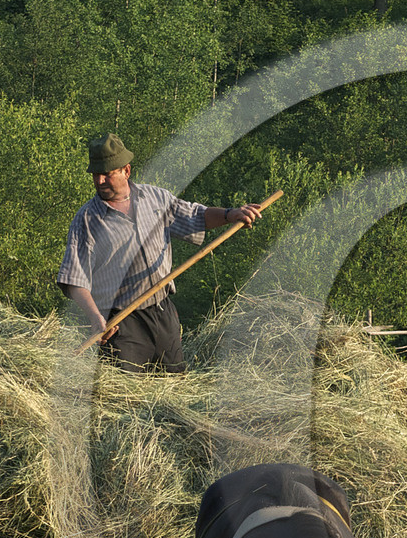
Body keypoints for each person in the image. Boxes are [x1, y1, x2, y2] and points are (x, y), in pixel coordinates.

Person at [58, 133, 265, 373]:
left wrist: (230, 214)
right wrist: (96, 319)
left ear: (126, 170)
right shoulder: (86, 220)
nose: (101, 180)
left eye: (108, 173)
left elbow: (197, 216)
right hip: (122, 325)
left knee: (174, 387)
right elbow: (74, 279)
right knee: (126, 398)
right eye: (96, 174)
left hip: (163, 313)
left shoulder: (156, 198)